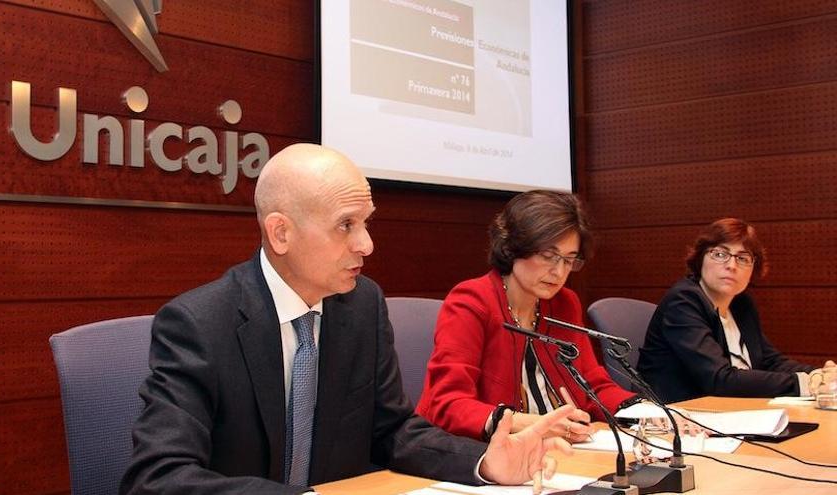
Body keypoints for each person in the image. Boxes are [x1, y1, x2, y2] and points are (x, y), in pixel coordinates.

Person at [120, 144, 576, 495]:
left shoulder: (362, 305)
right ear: (281, 232)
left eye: (367, 222)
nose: (367, 244)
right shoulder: (200, 323)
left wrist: (483, 463)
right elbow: (158, 477)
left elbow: (392, 430)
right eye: (346, 225)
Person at [416, 190, 639, 444]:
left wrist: (649, 413)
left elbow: (593, 386)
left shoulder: (564, 303)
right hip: (481, 454)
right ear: (512, 247)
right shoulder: (471, 301)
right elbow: (448, 405)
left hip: (558, 449)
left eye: (569, 260)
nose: (558, 272)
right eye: (547, 256)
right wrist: (532, 425)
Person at [637, 218, 836, 404]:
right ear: (700, 259)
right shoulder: (683, 301)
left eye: (742, 258)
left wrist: (817, 374)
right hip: (680, 416)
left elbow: (769, 360)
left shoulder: (741, 304)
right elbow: (718, 379)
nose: (731, 265)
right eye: (720, 254)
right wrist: (804, 384)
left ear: (753, 268)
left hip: (731, 410)